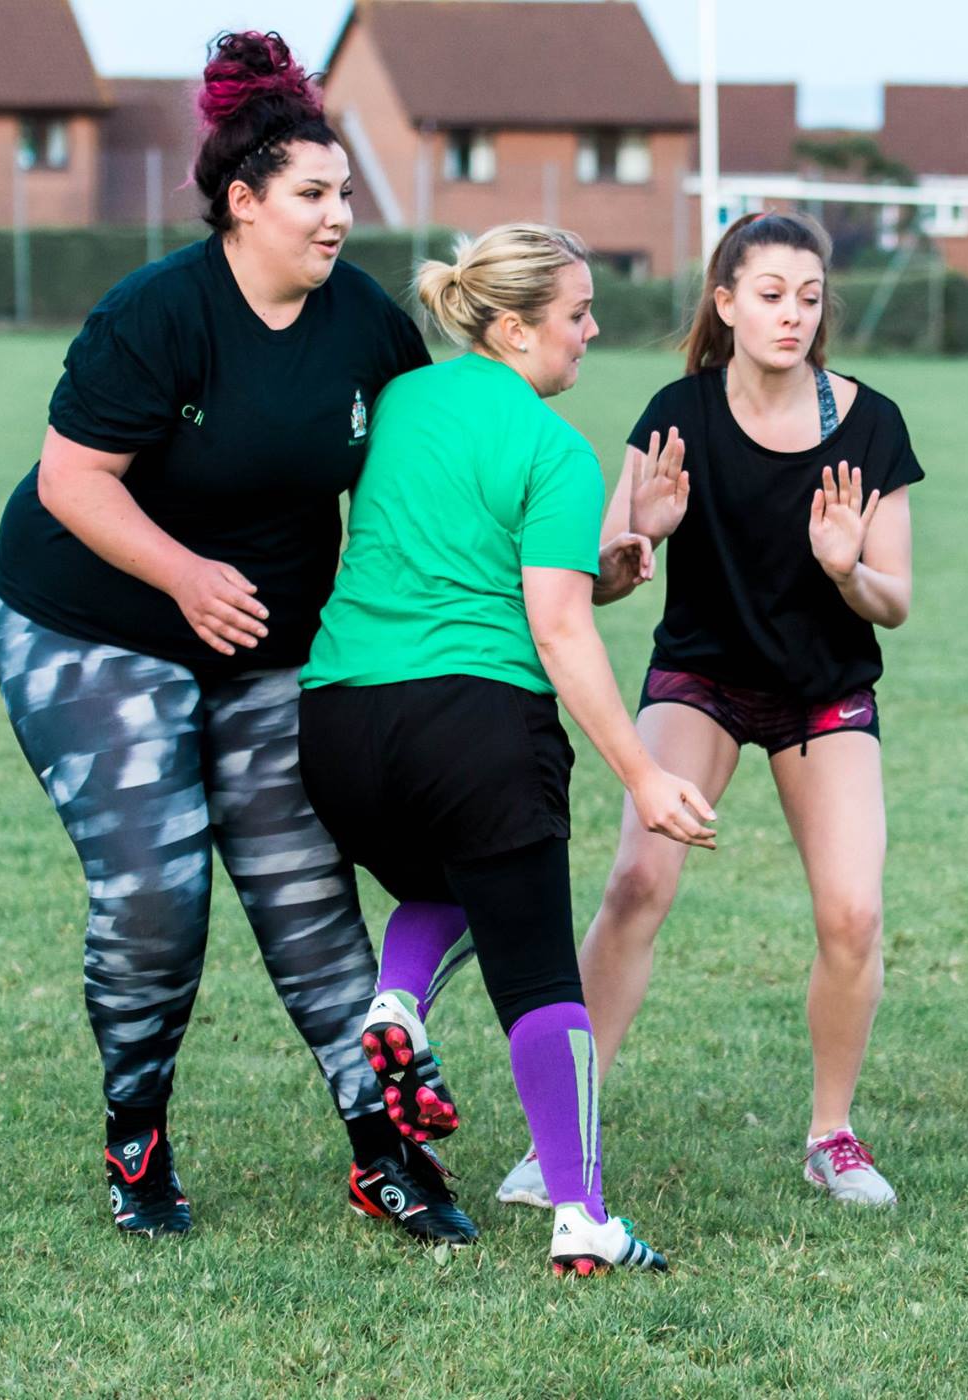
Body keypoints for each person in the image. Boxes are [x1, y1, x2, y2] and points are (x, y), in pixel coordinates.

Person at [0, 31, 432, 1240]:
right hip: (90, 620)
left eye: (343, 193)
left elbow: (403, 488)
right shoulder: (155, 314)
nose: (339, 217)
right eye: (313, 195)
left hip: (264, 642)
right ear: (242, 203)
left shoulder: (366, 325)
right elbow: (72, 481)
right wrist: (185, 577)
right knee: (155, 888)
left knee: (304, 890)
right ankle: (137, 1140)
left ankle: (381, 1148)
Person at [299, 222, 708, 1275]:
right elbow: (556, 627)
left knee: (456, 877)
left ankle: (395, 1000)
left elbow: (495, 563)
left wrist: (628, 550)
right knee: (538, 977)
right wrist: (642, 772)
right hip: (476, 728)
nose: (592, 329)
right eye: (577, 312)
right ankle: (582, 1215)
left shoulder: (400, 401)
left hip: (339, 724)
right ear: (516, 324)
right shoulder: (553, 449)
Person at [494, 212, 921, 1212]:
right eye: (770, 295)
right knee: (637, 881)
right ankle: (562, 1133)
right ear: (724, 303)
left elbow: (895, 599)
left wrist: (845, 567)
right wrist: (637, 538)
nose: (792, 315)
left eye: (808, 298)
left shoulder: (870, 423)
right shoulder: (676, 411)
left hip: (824, 692)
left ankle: (831, 1132)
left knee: (852, 915)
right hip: (702, 680)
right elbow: (595, 578)